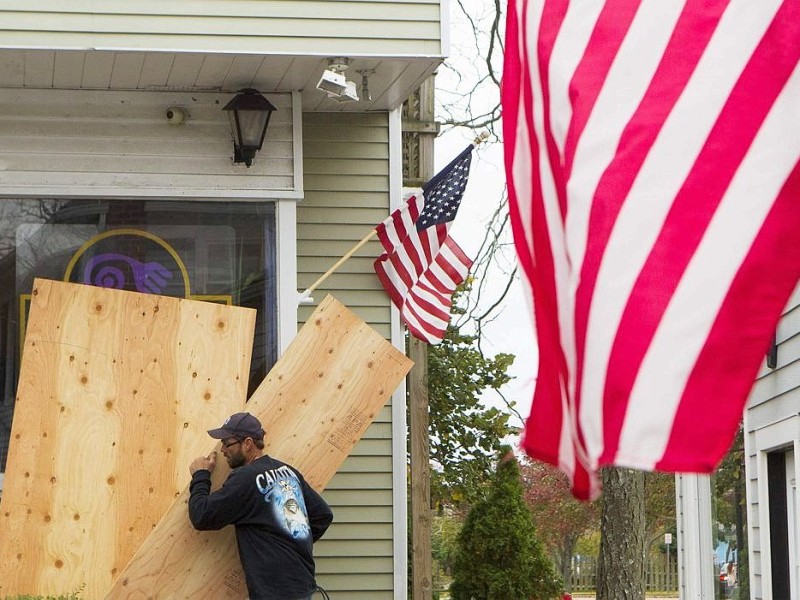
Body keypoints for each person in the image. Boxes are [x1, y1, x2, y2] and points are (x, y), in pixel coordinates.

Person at [188, 412, 333, 600]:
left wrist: (200, 475)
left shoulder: (245, 479)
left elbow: (201, 515)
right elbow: (322, 516)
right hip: (300, 584)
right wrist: (290, 545)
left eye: (227, 443)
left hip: (275, 592)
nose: (223, 450)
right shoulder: (287, 471)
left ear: (248, 444)